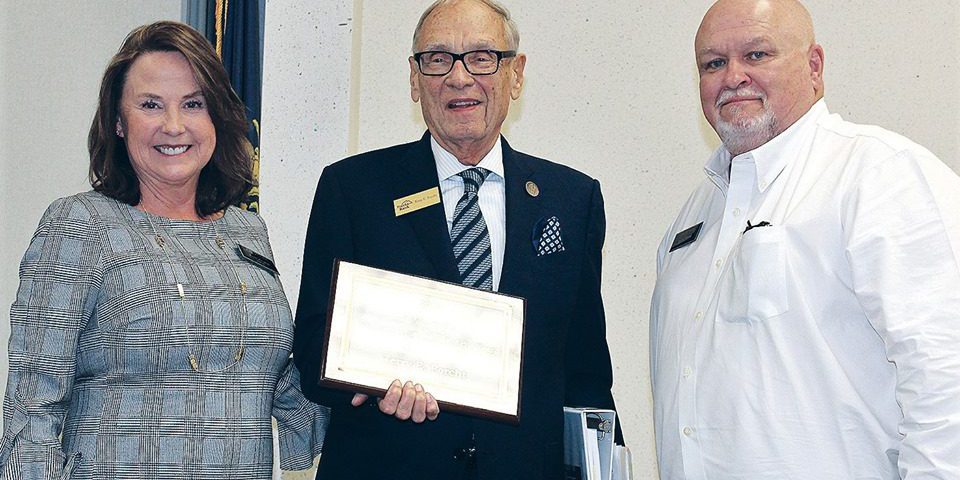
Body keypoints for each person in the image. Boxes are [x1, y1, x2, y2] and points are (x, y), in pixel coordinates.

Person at [293, 0, 620, 478]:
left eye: (482, 57)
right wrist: (373, 382)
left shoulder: (573, 200)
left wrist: (606, 467)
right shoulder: (353, 189)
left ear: (516, 74)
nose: (460, 77)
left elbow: (587, 372)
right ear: (413, 77)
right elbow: (312, 348)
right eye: (438, 58)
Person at [0, 21, 327, 479]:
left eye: (193, 104)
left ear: (217, 117)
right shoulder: (80, 225)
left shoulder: (248, 229)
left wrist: (378, 384)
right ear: (118, 121)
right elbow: (31, 409)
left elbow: (274, 381)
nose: (174, 125)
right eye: (150, 105)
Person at [650, 0, 960, 477]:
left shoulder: (879, 176)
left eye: (756, 55)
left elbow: (946, 380)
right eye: (713, 63)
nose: (733, 76)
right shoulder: (691, 218)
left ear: (814, 66)